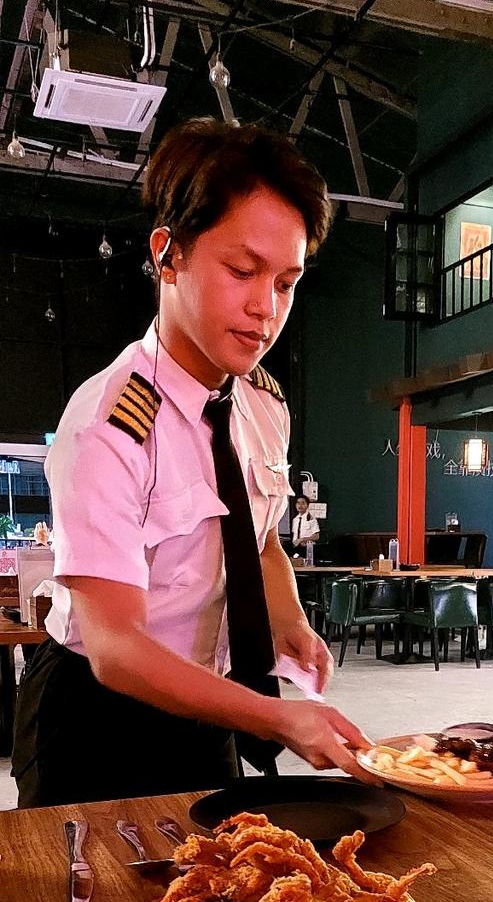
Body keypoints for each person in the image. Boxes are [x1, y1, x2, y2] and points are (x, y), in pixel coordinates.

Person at [12, 118, 373, 807]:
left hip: (211, 706)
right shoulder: (109, 425)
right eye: (242, 271)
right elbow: (116, 648)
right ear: (168, 254)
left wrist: (289, 620)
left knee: (216, 896)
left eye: (287, 282)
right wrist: (279, 717)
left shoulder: (263, 406)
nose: (265, 309)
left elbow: (261, 540)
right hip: (95, 717)